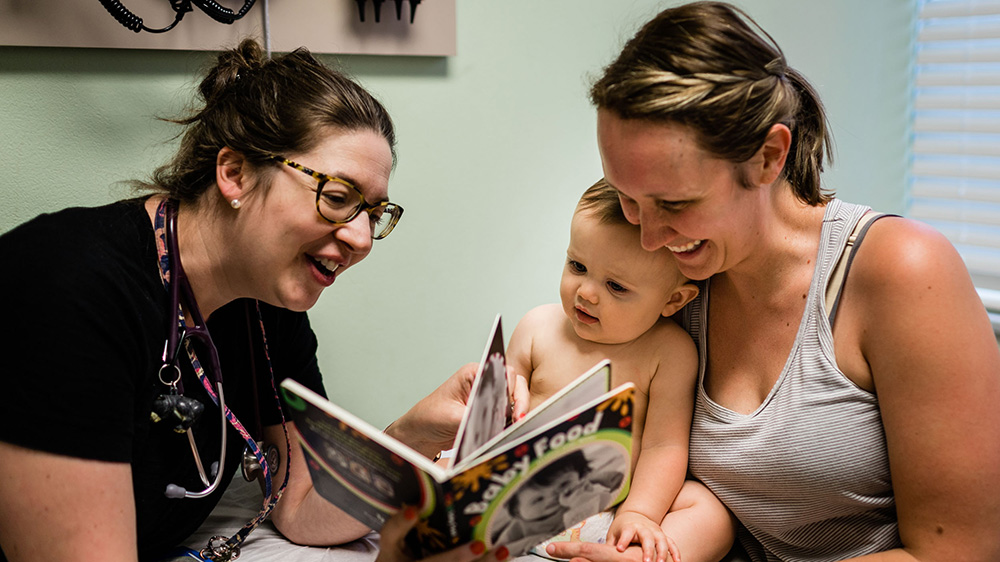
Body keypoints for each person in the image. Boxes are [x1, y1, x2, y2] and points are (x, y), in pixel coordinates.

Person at [0, 39, 526, 562]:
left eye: (374, 212)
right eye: (338, 197)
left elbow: (300, 507)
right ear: (235, 173)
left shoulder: (264, 305)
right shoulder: (68, 285)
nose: (362, 239)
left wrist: (411, 434)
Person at [546, 2, 1000, 562]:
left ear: (769, 157)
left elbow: (963, 552)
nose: (648, 237)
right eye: (627, 197)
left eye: (675, 203)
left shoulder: (901, 271)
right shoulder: (674, 281)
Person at [505, 180, 735, 562]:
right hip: (513, 498)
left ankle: (620, 556)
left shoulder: (668, 352)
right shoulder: (537, 327)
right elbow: (498, 410)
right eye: (577, 266)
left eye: (616, 286)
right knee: (442, 465)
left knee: (711, 514)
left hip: (608, 515)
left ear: (673, 300)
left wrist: (639, 513)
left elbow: (665, 446)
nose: (586, 293)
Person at [490, 449, 625, 558]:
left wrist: (591, 482)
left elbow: (618, 480)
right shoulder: (520, 526)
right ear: (517, 511)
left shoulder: (584, 487)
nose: (553, 499)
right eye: (538, 500)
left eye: (563, 484)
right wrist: (529, 542)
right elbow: (502, 550)